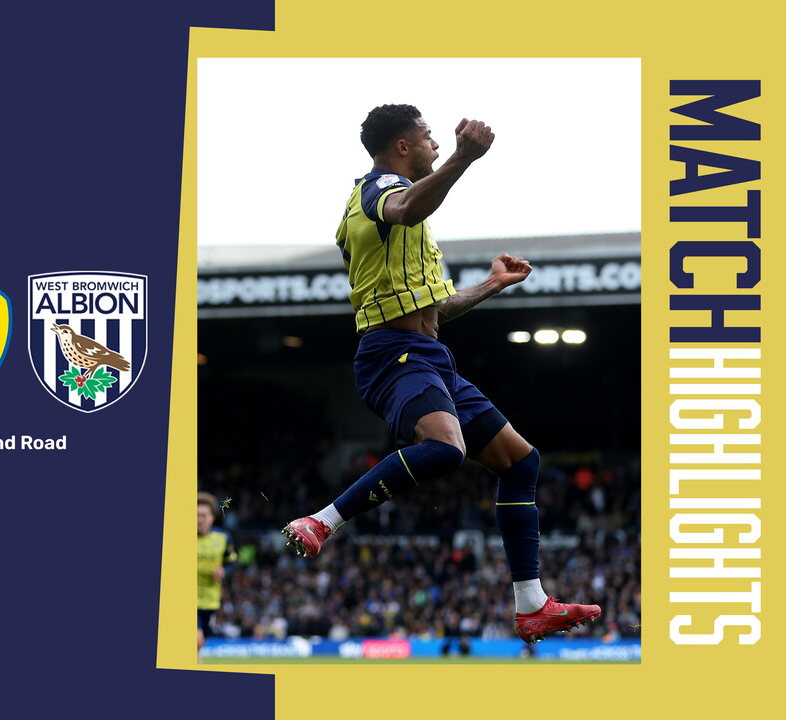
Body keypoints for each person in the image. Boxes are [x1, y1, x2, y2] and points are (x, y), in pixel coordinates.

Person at [281, 104, 600, 644]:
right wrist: (464, 158)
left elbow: (432, 312)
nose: (434, 144)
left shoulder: (404, 227)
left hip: (427, 354)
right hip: (391, 354)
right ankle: (320, 522)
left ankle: (531, 604)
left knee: (521, 461)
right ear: (404, 145)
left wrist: (490, 286)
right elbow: (403, 207)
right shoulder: (379, 188)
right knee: (447, 449)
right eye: (428, 137)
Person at [197, 491, 237, 662]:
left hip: (211, 599)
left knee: (199, 643)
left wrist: (224, 572)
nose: (199, 519)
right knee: (195, 640)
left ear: (212, 517)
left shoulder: (223, 538)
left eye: (203, 515)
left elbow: (232, 562)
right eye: (196, 515)